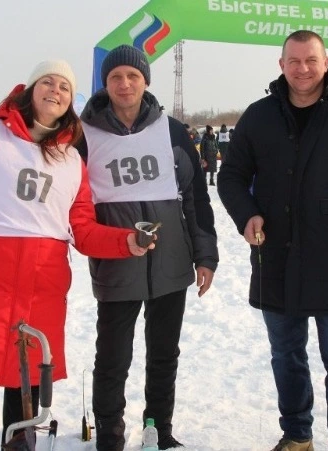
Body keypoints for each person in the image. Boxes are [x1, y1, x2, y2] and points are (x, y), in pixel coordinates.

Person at [0, 60, 153, 451]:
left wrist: (125, 241)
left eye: (64, 87)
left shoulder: (72, 161)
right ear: (30, 90)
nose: (55, 91)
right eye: (47, 82)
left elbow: (82, 228)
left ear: (70, 102)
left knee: (25, 386)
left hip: (40, 289)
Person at [216, 30, 328, 451]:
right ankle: (298, 434)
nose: (302, 69)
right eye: (294, 61)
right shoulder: (260, 115)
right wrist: (247, 216)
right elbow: (231, 176)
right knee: (286, 355)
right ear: (281, 65)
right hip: (275, 256)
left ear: (327, 61)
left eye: (311, 60)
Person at [76, 44, 218, 451]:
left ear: (145, 81)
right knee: (113, 359)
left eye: (133, 76)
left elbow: (194, 197)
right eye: (116, 76)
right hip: (117, 263)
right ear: (105, 83)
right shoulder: (87, 136)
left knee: (163, 355)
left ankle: (158, 428)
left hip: (171, 263)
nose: (125, 84)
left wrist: (205, 254)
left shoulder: (171, 131)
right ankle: (110, 436)